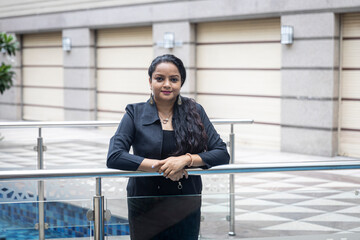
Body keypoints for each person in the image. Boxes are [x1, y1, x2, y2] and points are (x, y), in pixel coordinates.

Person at [107, 54, 229, 240]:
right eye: (159, 78)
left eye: (174, 79)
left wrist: (185, 160)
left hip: (186, 201)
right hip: (144, 201)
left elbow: (221, 153)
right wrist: (165, 167)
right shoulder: (134, 112)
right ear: (150, 81)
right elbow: (115, 156)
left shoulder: (195, 111)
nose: (167, 84)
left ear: (181, 83)